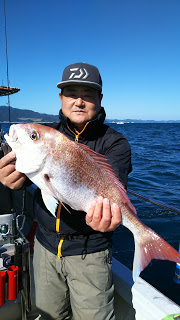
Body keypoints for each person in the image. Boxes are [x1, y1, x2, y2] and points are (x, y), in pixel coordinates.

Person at [0, 62, 132, 320]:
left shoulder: (115, 142)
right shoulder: (48, 135)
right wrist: (9, 178)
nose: (79, 101)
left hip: (91, 252)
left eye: (88, 94)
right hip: (45, 248)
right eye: (71, 93)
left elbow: (114, 192)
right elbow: (28, 176)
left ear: (100, 99)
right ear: (61, 98)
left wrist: (111, 220)